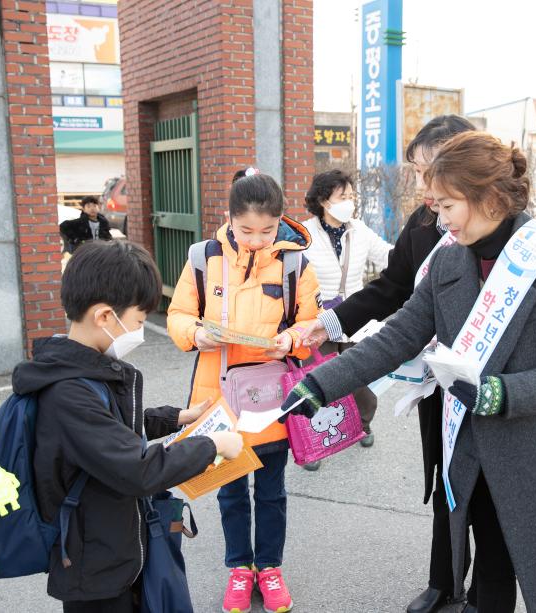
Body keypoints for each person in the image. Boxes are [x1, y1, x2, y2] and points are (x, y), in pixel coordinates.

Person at [284, 132, 536, 613]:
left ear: (489, 197)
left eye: (447, 206)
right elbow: (399, 335)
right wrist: (319, 384)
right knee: (491, 573)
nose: (439, 219)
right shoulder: (447, 260)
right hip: (481, 451)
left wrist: (501, 395)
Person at [298, 115, 478, 612]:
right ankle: (444, 580)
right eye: (418, 174)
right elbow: (393, 291)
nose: (422, 187)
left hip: (491, 387)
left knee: (489, 493)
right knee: (445, 482)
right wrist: (331, 327)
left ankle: (485, 586)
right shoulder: (424, 227)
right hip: (438, 382)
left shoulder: (507, 236)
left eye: (427, 172)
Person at [12, 240, 244, 612]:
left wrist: (176, 418)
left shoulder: (85, 368)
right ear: (105, 316)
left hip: (113, 549)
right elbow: (137, 469)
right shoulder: (69, 393)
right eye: (138, 321)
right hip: (96, 572)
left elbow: (113, 430)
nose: (138, 330)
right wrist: (212, 445)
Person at [167, 170, 321, 613]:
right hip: (217, 397)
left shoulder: (295, 264)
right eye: (245, 229)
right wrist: (196, 333)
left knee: (271, 490)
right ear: (229, 219)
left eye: (267, 230)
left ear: (280, 222)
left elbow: (309, 327)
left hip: (272, 398)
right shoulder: (203, 257)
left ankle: (269, 568)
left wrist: (290, 341)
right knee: (230, 489)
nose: (256, 239)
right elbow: (178, 314)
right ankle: (240, 568)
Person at [299, 169, 391, 466]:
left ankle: (362, 423)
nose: (349, 202)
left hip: (355, 318)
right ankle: (314, 437)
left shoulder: (359, 230)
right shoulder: (305, 234)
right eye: (343, 196)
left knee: (359, 374)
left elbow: (388, 257)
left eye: (352, 196)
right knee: (318, 377)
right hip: (318, 321)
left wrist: (417, 259)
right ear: (325, 201)